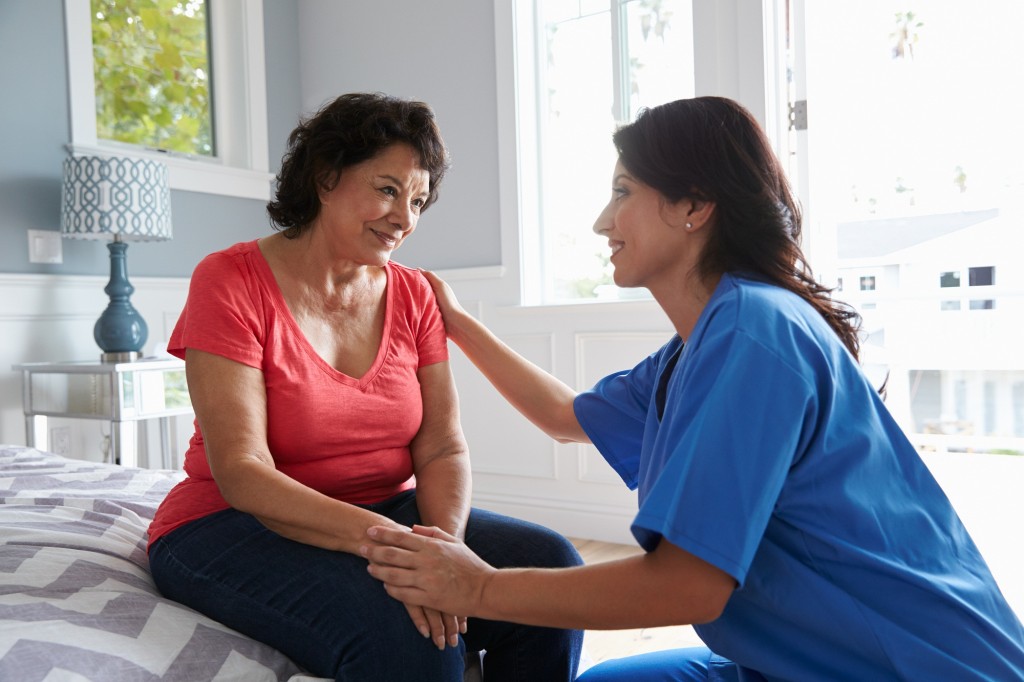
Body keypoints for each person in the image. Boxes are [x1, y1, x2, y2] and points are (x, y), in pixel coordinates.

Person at [362, 96, 1024, 681]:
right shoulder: (701, 344)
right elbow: (563, 416)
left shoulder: (755, 334)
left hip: (912, 665)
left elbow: (686, 587)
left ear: (695, 205)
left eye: (623, 191)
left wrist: (480, 590)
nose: (601, 221)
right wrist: (456, 321)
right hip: (785, 659)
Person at [146, 92, 584, 682]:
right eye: (387, 189)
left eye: (419, 200)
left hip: (384, 510)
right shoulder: (229, 280)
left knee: (552, 571)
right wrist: (403, 553)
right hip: (230, 524)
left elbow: (441, 447)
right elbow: (243, 469)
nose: (405, 218)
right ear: (326, 178)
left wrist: (442, 550)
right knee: (407, 633)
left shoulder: (413, 293)